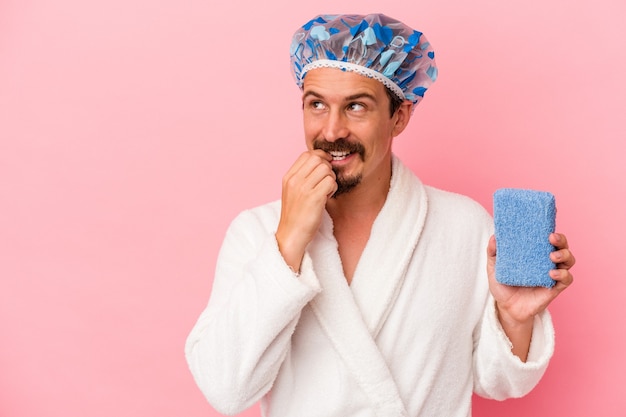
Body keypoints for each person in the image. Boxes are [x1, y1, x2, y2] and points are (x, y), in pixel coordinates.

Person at [185, 13, 575, 417]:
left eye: (356, 106)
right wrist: (287, 243)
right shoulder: (257, 233)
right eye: (316, 104)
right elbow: (225, 390)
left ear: (400, 116)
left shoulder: (464, 227)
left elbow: (499, 383)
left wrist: (513, 319)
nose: (332, 130)